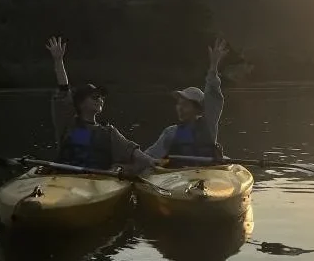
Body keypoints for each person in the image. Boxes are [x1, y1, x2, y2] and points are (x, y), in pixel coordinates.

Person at [46, 36, 155, 173]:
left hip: (96, 185)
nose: (100, 100)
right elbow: (64, 90)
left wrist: (147, 163)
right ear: (81, 103)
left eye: (101, 97)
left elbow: (138, 156)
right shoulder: (68, 123)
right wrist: (58, 61)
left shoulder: (109, 133)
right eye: (95, 97)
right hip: (64, 182)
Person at [146, 38, 229, 161]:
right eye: (179, 104)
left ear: (197, 109)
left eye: (185, 104)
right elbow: (149, 156)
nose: (180, 107)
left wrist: (213, 66)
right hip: (180, 177)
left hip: (208, 175)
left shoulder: (208, 125)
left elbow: (213, 96)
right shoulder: (170, 132)